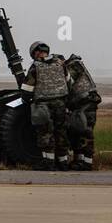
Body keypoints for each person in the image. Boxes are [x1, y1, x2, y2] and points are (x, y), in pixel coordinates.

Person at [23, 40, 70, 171]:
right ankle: (63, 163)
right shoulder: (60, 63)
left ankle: (48, 163)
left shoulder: (36, 66)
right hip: (61, 104)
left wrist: (25, 101)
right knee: (61, 132)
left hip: (43, 106)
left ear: (36, 53)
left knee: (45, 134)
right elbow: (68, 81)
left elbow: (27, 89)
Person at [64, 53, 101, 171]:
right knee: (79, 132)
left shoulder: (73, 66)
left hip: (85, 103)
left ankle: (86, 163)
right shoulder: (76, 65)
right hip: (84, 103)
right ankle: (80, 161)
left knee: (85, 132)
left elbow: (67, 84)